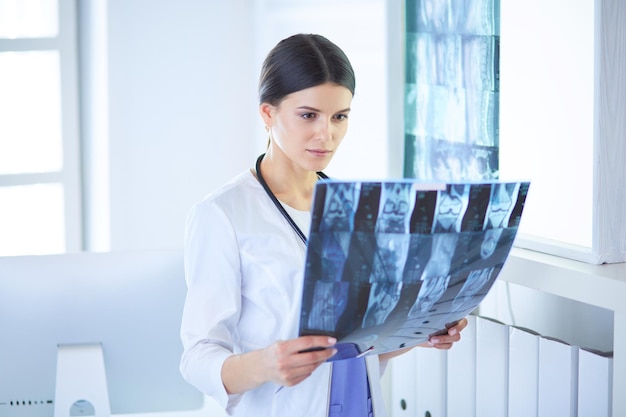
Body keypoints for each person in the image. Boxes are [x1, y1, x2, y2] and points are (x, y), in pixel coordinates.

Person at [179, 33, 468, 417]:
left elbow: (360, 345)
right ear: (268, 113)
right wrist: (267, 363)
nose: (325, 134)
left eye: (339, 117)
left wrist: (419, 332)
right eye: (308, 115)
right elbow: (197, 358)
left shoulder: (358, 209)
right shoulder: (223, 214)